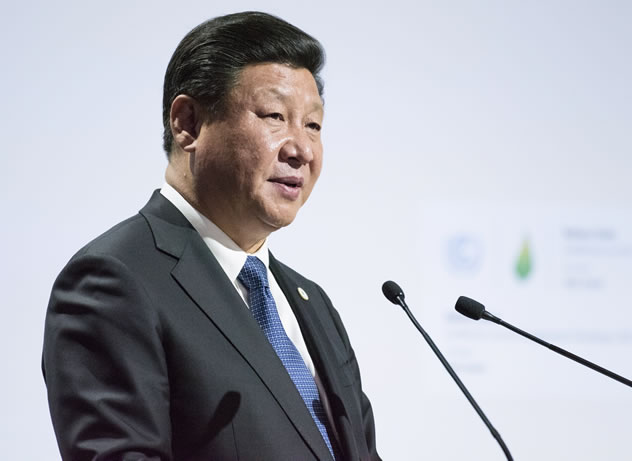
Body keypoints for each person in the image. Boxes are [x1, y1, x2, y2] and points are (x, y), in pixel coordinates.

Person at [42, 12, 380, 461]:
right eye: (275, 116)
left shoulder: (312, 303)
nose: (301, 150)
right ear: (188, 123)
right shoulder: (113, 281)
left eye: (313, 125)